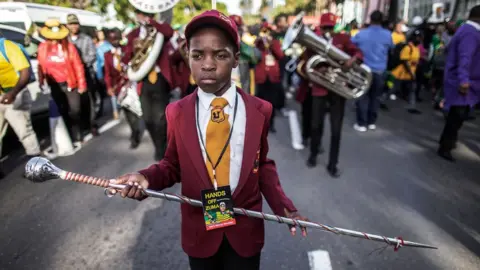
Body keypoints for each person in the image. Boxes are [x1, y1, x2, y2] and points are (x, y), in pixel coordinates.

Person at [111, 10, 307, 269]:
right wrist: (147, 178)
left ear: (236, 59)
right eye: (197, 55)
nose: (207, 64)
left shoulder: (260, 110)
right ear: (188, 57)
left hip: (245, 232)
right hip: (200, 232)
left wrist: (285, 207)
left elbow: (262, 166)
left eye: (220, 55)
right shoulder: (177, 112)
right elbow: (172, 165)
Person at [296, 13, 362, 177]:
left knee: (336, 130)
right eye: (325, 27)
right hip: (320, 87)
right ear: (321, 27)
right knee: (316, 125)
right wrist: (319, 70)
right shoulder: (314, 40)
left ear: (335, 27)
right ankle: (313, 156)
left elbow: (359, 54)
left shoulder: (343, 38)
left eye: (330, 27)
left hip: (338, 90)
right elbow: (304, 65)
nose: (328, 31)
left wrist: (351, 61)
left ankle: (333, 164)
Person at [122, 9, 174, 161]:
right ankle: (158, 144)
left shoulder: (159, 29)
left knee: (160, 118)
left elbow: (169, 32)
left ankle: (161, 149)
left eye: (146, 14)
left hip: (159, 78)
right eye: (140, 13)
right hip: (142, 80)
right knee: (148, 118)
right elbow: (127, 55)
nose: (142, 16)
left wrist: (152, 22)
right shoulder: (133, 34)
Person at [438, 5, 480, 162]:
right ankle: (446, 146)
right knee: (457, 116)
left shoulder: (466, 30)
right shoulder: (470, 33)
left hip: (463, 80)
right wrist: (463, 80)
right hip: (463, 82)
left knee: (457, 115)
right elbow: (465, 58)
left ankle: (447, 143)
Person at [38, 19, 87, 147]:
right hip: (54, 84)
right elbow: (41, 67)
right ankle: (70, 136)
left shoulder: (69, 47)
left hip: (70, 83)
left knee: (75, 110)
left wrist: (82, 84)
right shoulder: (43, 48)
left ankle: (78, 133)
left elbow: (78, 65)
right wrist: (41, 81)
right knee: (63, 110)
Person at [0, 37, 41, 178]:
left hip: (16, 93)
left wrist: (13, 93)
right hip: (1, 96)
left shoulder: (7, 46)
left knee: (24, 131)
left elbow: (25, 72)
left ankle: (36, 166)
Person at [352, 10, 393, 132]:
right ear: (381, 20)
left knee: (362, 96)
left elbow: (351, 44)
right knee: (376, 97)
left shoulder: (362, 33)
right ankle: (371, 122)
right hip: (380, 70)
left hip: (364, 70)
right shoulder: (387, 34)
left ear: (370, 19)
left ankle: (362, 123)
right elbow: (391, 48)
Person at [103, 28, 144, 149]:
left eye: (116, 38)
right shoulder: (107, 55)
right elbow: (107, 73)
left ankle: (136, 131)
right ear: (108, 40)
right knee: (127, 111)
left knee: (136, 109)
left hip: (132, 83)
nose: (114, 41)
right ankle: (134, 132)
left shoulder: (127, 50)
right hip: (119, 88)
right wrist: (109, 87)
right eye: (112, 39)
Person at [66, 14, 102, 135]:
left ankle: (93, 125)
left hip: (86, 73)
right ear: (67, 25)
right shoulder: (65, 40)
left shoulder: (86, 39)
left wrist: (79, 63)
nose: (73, 26)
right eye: (71, 24)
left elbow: (92, 55)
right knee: (75, 104)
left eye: (75, 23)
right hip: (71, 76)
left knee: (90, 100)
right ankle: (80, 127)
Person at [254, 22, 284, 133]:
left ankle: (271, 125)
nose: (266, 33)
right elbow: (255, 57)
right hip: (261, 77)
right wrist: (259, 42)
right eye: (264, 30)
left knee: (272, 103)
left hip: (273, 77)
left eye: (268, 31)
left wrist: (271, 45)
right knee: (261, 103)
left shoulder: (275, 43)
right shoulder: (257, 43)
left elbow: (280, 56)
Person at [391, 30, 422, 114]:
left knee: (412, 90)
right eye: (417, 37)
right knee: (392, 88)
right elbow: (404, 61)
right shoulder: (408, 47)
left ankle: (412, 106)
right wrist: (411, 73)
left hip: (410, 74)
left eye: (420, 37)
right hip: (401, 73)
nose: (419, 39)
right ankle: (381, 100)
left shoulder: (416, 48)